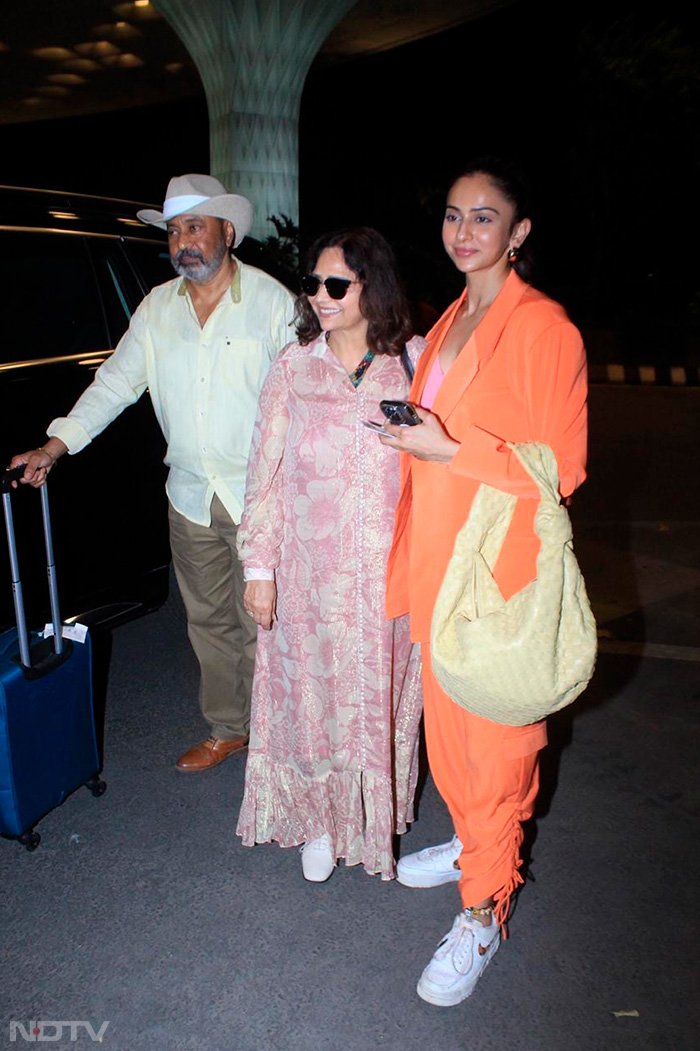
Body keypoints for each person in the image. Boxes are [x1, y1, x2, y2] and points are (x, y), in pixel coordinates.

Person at [380, 159, 588, 1006]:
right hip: (435, 556)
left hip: (498, 574)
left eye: (485, 217)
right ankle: (475, 844)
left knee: (497, 750)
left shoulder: (546, 329)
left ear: (519, 231)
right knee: (449, 736)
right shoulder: (458, 312)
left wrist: (447, 449)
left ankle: (485, 908)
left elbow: (561, 471)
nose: (464, 233)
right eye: (455, 217)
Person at [10, 174, 296, 773]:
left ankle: (285, 732)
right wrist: (54, 446)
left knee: (272, 618)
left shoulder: (273, 303)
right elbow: (115, 382)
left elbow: (307, 395)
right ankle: (229, 728)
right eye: (173, 232)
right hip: (191, 495)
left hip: (265, 497)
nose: (182, 242)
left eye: (195, 227)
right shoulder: (156, 309)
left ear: (226, 231)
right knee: (210, 621)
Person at [236, 227, 425, 881]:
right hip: (306, 574)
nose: (320, 295)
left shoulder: (414, 363)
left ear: (373, 287)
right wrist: (259, 568)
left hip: (385, 578)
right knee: (312, 698)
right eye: (312, 283)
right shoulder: (295, 365)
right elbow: (262, 470)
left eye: (336, 284)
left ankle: (367, 821)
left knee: (370, 698)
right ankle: (318, 818)